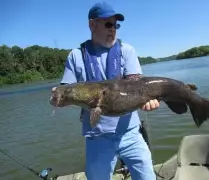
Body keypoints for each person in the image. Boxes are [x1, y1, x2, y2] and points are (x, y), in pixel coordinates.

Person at [50, 2, 160, 180]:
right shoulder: (76, 56)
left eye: (116, 25)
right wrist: (57, 98)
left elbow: (139, 88)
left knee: (147, 177)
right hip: (96, 137)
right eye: (108, 24)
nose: (113, 29)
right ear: (92, 25)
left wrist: (150, 100)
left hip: (130, 132)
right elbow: (64, 93)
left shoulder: (127, 51)